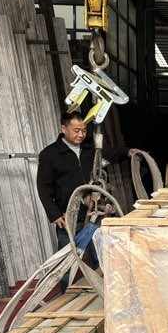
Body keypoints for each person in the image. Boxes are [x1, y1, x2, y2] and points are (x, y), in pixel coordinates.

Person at [36, 111, 130, 288]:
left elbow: (113, 152)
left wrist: (130, 152)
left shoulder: (91, 149)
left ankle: (103, 294)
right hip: (68, 218)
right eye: (76, 130)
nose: (81, 134)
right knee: (66, 263)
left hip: (94, 214)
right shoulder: (50, 155)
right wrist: (54, 215)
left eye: (84, 130)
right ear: (63, 129)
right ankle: (66, 296)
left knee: (100, 258)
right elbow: (43, 188)